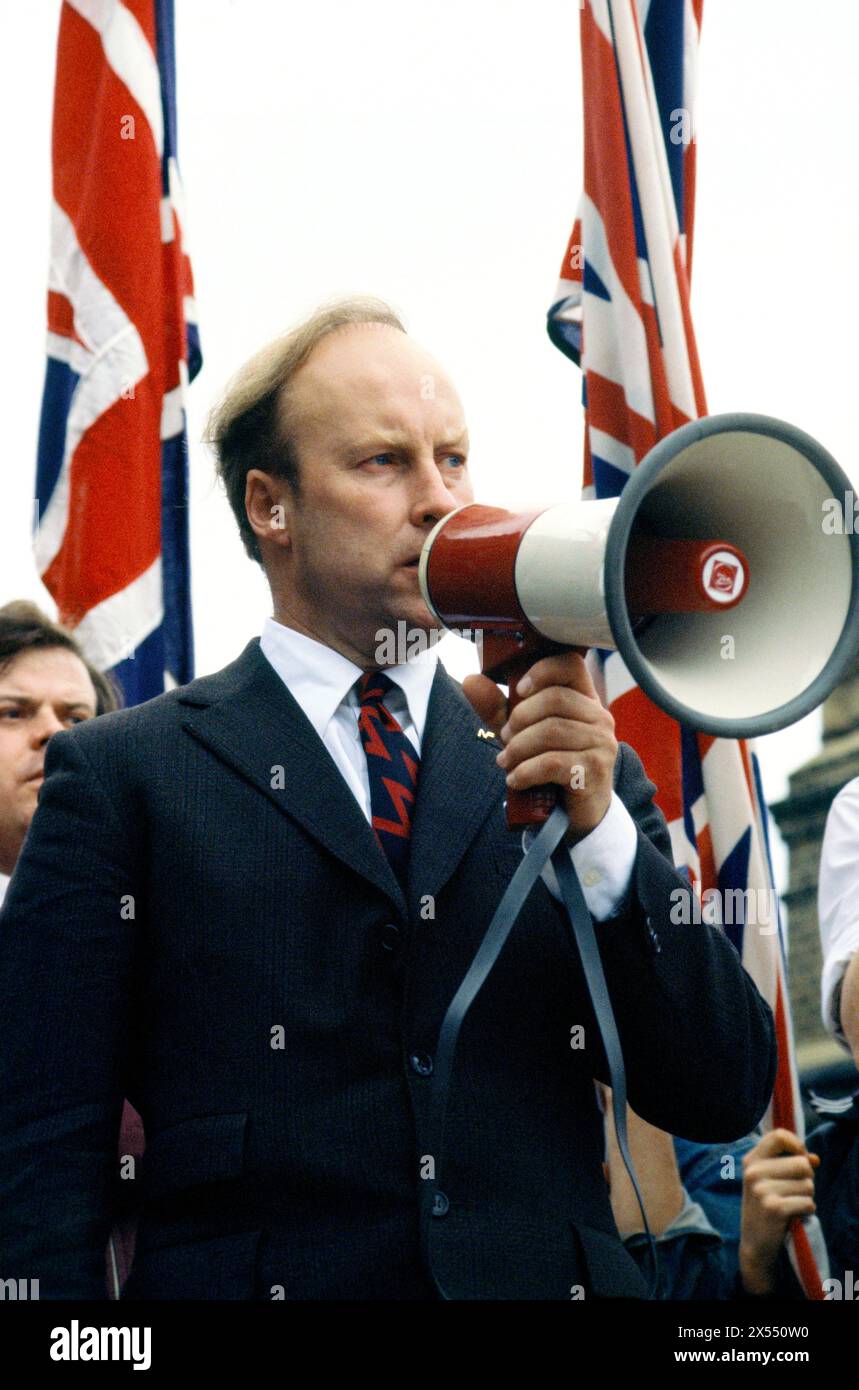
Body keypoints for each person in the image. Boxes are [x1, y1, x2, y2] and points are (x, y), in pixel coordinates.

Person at [0, 296, 777, 1301]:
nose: (436, 497)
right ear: (269, 505)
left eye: (451, 459)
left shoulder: (572, 763)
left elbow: (719, 1086)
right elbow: (42, 1161)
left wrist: (606, 844)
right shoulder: (122, 778)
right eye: (384, 462)